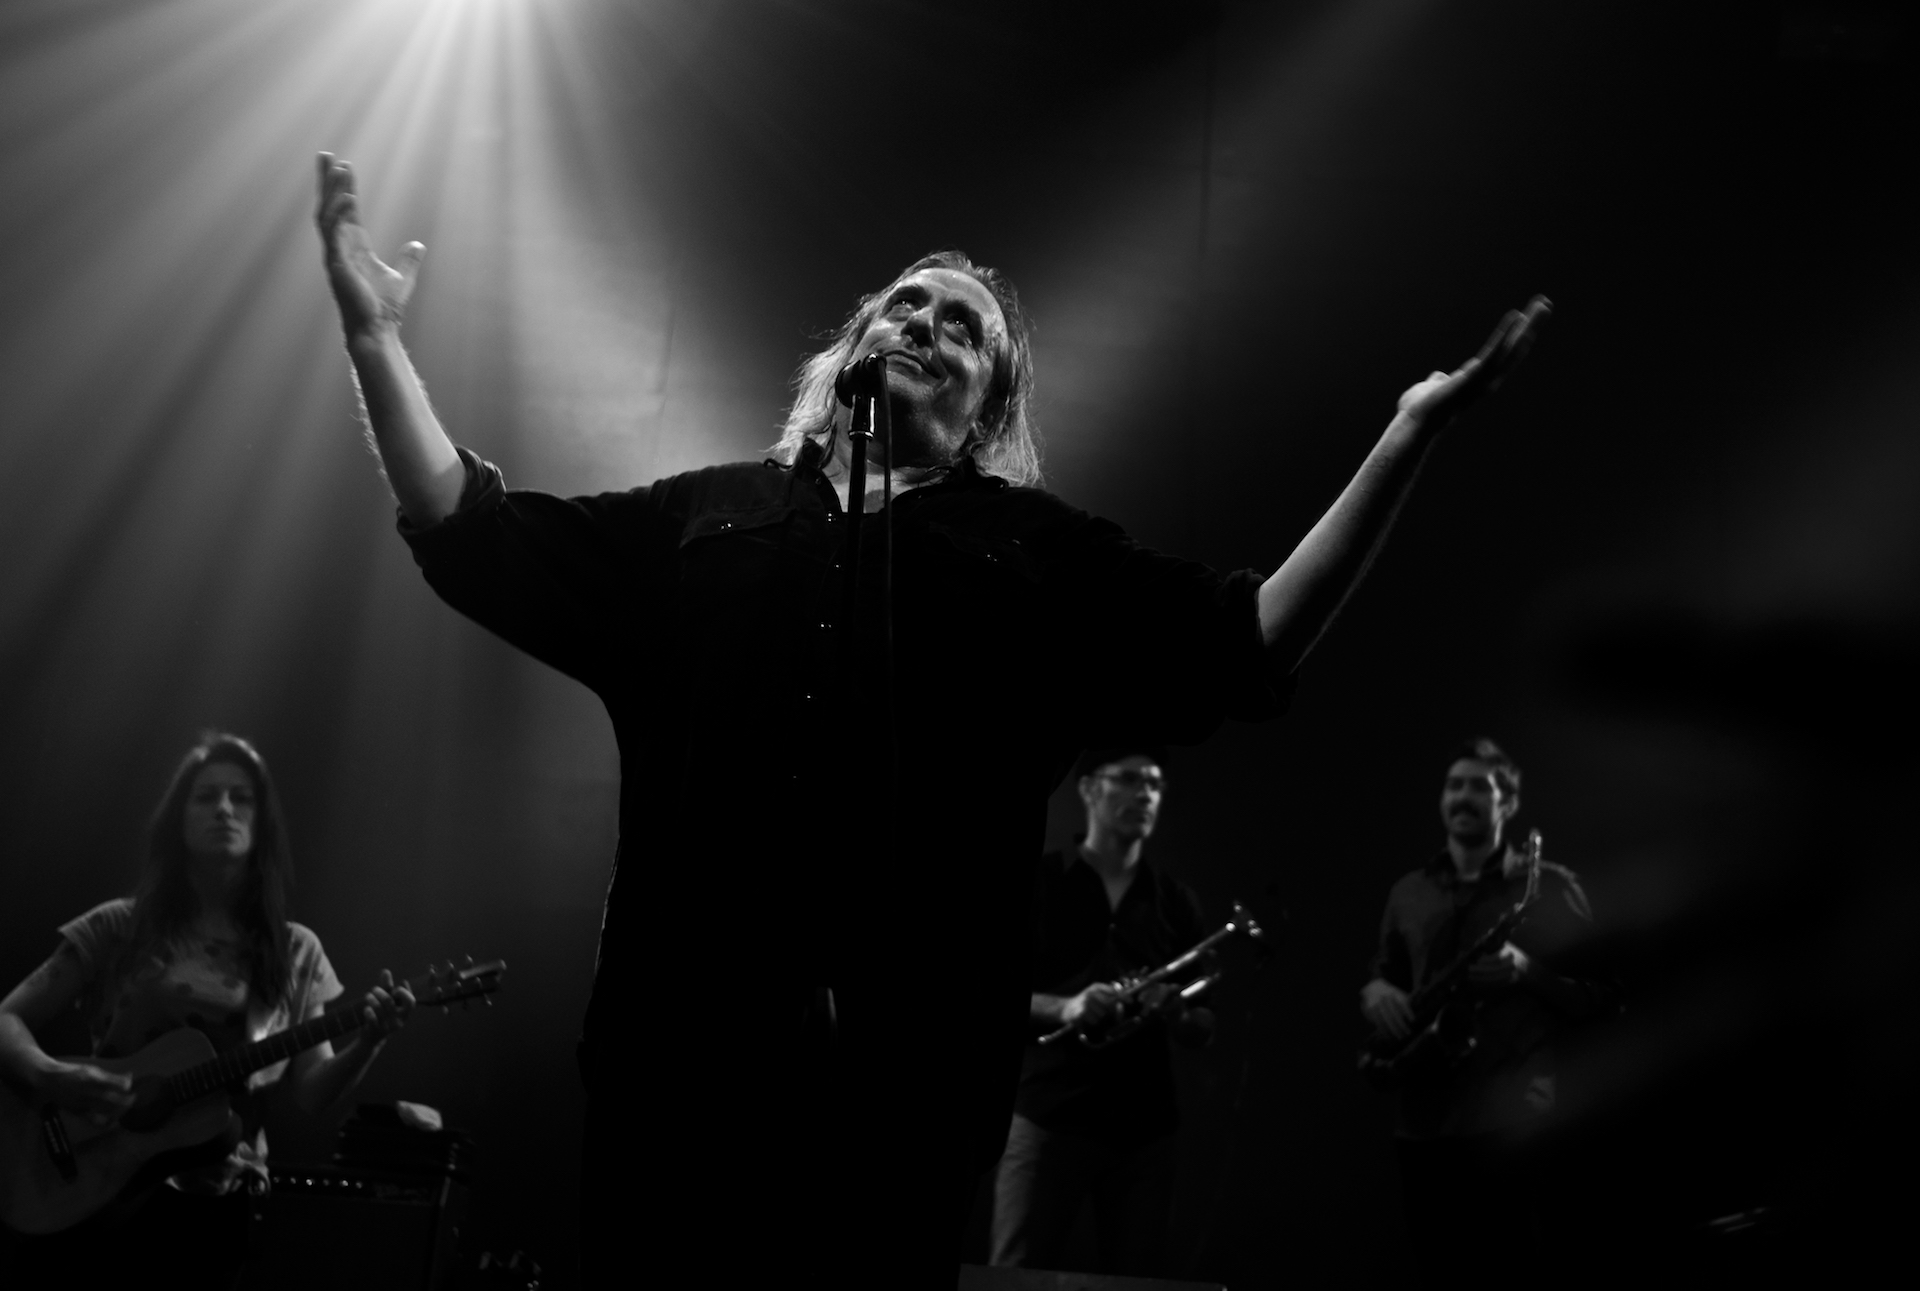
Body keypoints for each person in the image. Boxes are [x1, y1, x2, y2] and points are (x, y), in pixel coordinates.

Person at [313, 151, 1550, 1286]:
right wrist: (374, 339)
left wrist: (1406, 436)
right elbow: (476, 536)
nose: (925, 326)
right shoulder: (707, 518)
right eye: (906, 306)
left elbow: (1249, 637)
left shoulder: (1031, 553)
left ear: (987, 406)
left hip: (900, 1107)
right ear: (852, 346)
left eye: (964, 328)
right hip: (674, 1085)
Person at [0, 733, 414, 1289]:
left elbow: (312, 1092)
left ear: (262, 824)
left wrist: (370, 1040)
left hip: (216, 1203)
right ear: (178, 819)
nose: (224, 808)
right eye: (205, 795)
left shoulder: (295, 949)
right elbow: (6, 1019)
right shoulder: (119, 925)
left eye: (241, 798)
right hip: (94, 1177)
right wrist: (50, 1074)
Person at [1360, 738, 1610, 1287]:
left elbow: (1602, 997)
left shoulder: (1548, 886)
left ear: (1508, 804)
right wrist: (1375, 990)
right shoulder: (1408, 892)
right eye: (1454, 785)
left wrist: (1527, 969)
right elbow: (1387, 976)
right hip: (1425, 1127)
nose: (1463, 796)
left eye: (1480, 786)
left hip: (1514, 1122)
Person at [992, 745, 1217, 1276]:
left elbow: (1204, 1024)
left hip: (1144, 1130)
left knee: (1136, 1283)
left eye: (1155, 785)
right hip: (1047, 1117)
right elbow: (994, 995)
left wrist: (1177, 1012)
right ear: (1090, 789)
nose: (1146, 795)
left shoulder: (1175, 901)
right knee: (1014, 1277)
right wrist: (1065, 1007)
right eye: (1131, 780)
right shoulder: (1040, 883)